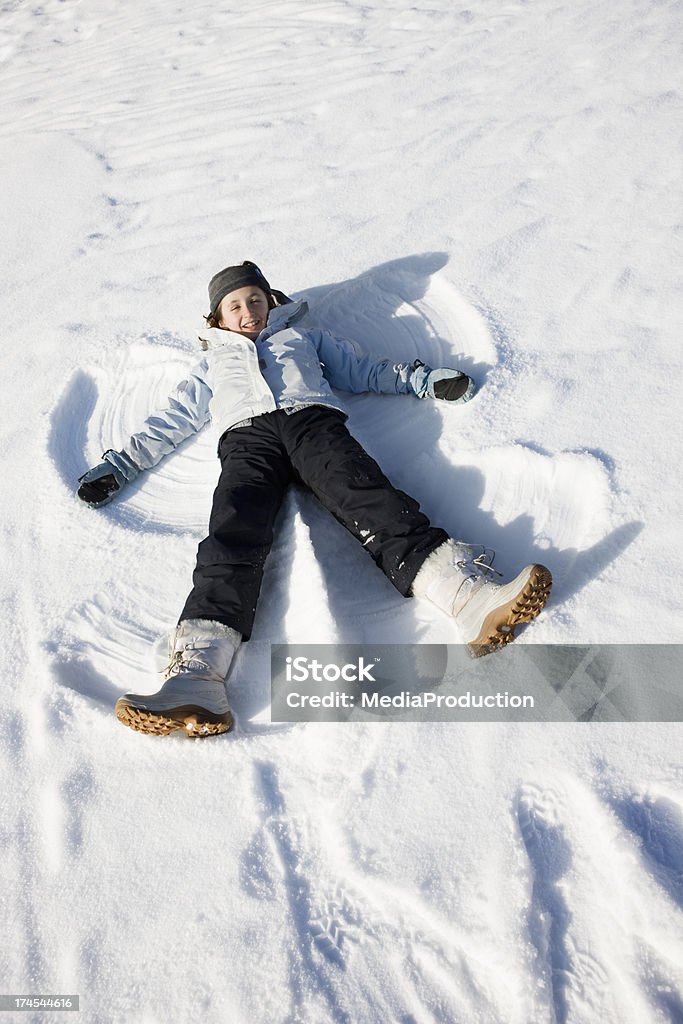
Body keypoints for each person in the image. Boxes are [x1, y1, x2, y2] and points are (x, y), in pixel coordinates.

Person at [77, 261, 552, 738]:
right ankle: (197, 677)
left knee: (369, 500)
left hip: (313, 425)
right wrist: (121, 466)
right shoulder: (211, 364)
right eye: (235, 306)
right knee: (231, 535)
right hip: (246, 443)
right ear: (217, 320)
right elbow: (172, 419)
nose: (249, 312)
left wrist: (422, 380)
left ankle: (467, 599)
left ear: (272, 301)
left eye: (256, 301)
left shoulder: (303, 338)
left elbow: (363, 369)